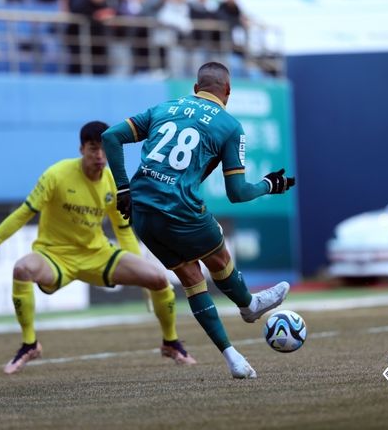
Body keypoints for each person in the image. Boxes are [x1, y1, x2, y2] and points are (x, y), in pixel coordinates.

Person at [0, 121, 196, 374]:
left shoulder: (112, 181)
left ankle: (171, 342)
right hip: (54, 255)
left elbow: (122, 230)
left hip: (97, 254)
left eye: (104, 150)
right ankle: (30, 344)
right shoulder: (56, 175)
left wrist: (139, 266)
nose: (99, 156)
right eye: (93, 149)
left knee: (157, 277)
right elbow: (24, 213)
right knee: (22, 269)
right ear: (81, 149)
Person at [101, 61, 295, 379]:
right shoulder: (230, 127)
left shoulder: (164, 107)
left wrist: (123, 188)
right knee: (218, 255)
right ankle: (248, 305)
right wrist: (270, 185)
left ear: (195, 88)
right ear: (228, 92)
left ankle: (233, 358)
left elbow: (111, 136)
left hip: (141, 212)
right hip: (179, 207)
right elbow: (238, 193)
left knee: (192, 278)